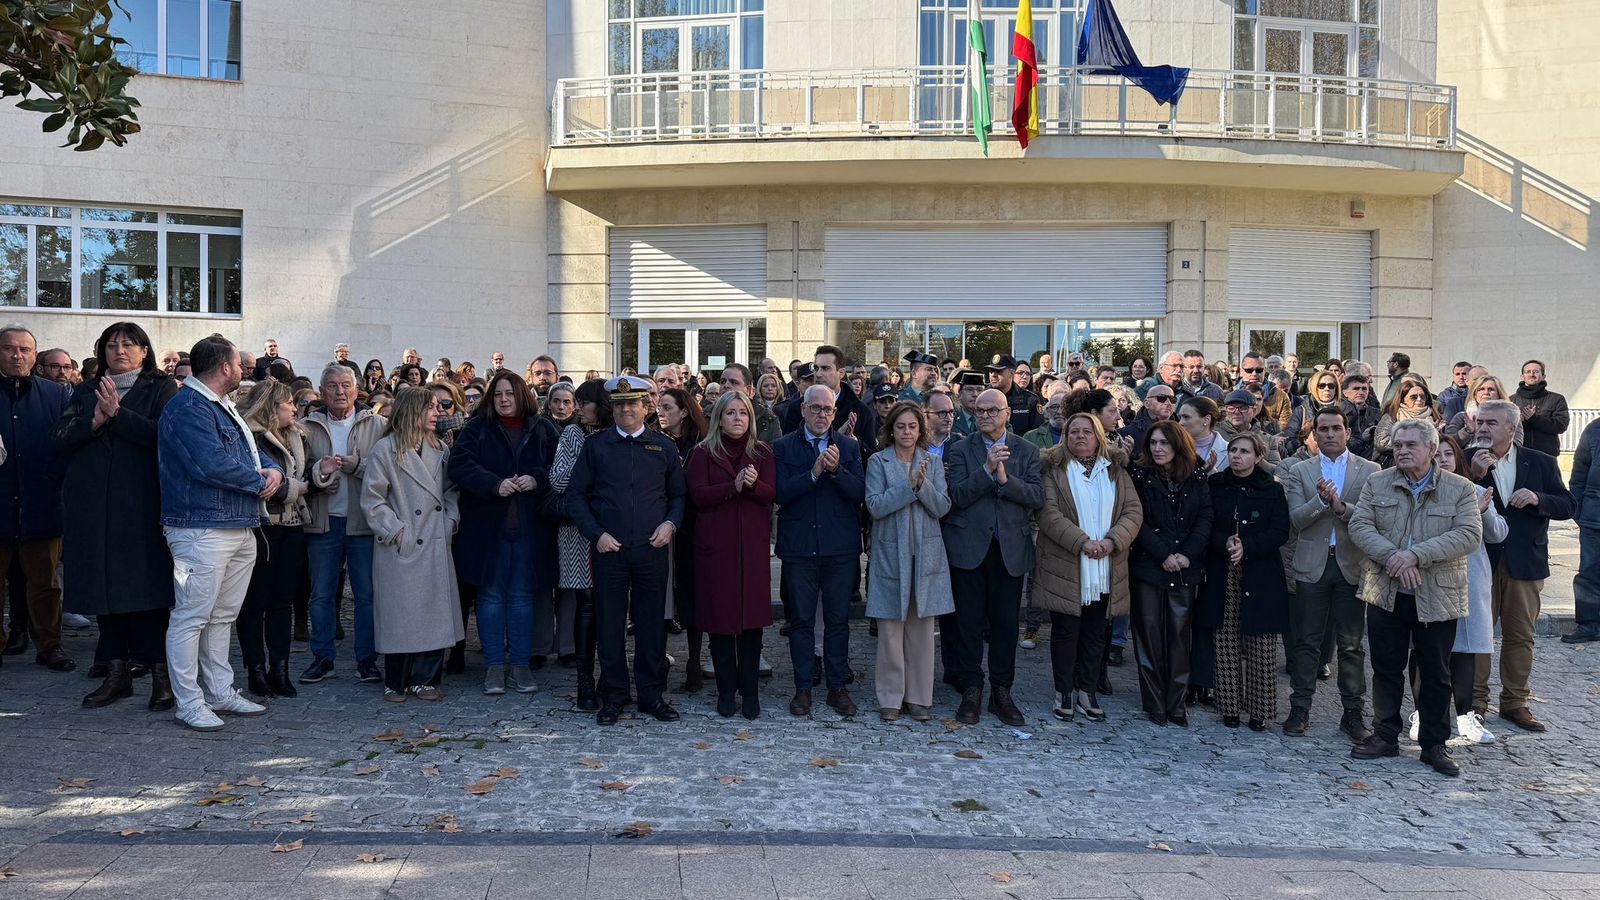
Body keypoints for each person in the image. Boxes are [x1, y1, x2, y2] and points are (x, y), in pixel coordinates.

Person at [158, 335, 280, 730]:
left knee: (222, 616)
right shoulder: (187, 407)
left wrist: (271, 468)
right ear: (225, 367)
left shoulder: (221, 405)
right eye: (239, 365)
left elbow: (246, 448)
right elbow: (208, 464)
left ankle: (219, 692)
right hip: (200, 529)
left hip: (237, 524)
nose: (245, 371)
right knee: (191, 616)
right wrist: (258, 481)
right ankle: (188, 701)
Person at [54, 322, 178, 709]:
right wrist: (95, 420)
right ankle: (116, 673)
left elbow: (163, 436)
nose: (119, 350)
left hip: (140, 504)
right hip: (93, 506)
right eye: (111, 344)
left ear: (144, 350)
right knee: (104, 590)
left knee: (145, 591)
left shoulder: (161, 388)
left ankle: (160, 676)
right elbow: (61, 437)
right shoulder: (86, 389)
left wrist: (118, 415)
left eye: (128, 344)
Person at [1348, 419, 1481, 777]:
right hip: (1385, 591)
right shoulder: (1378, 482)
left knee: (1436, 673)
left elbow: (1469, 534)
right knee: (1385, 667)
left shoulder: (1460, 489)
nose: (1402, 450)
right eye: (1398, 444)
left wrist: (1416, 555)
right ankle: (1385, 735)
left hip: (1436, 595)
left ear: (1432, 450)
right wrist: (1394, 556)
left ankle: (1434, 744)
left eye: (1410, 445)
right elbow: (1359, 526)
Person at [568, 375, 687, 725]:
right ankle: (615, 695)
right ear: (612, 408)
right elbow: (576, 496)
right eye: (619, 405)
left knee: (651, 625)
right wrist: (596, 534)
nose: (625, 410)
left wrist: (670, 525)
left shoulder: (663, 447)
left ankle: (651, 694)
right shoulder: (596, 446)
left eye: (632, 404)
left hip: (652, 548)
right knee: (609, 625)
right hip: (610, 549)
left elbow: (678, 496)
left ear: (644, 407)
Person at [448, 372, 559, 696]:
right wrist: (493, 484)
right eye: (498, 394)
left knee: (523, 598)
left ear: (521, 395)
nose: (504, 400)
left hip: (530, 529)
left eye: (509, 393)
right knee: (491, 596)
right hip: (487, 529)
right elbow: (459, 466)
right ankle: (495, 666)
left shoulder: (542, 429)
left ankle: (521, 666)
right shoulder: (477, 428)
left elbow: (561, 468)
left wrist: (536, 479)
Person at [1468, 398, 1575, 733]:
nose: (1483, 429)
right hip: (1482, 559)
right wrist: (1474, 475)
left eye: (1491, 423)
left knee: (1520, 635)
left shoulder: (1540, 462)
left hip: (1525, 561)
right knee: (1479, 635)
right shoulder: (1465, 458)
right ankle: (1475, 703)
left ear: (1512, 429)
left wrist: (1538, 499)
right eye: (1480, 422)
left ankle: (1515, 702)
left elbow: (1568, 504)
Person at [944, 388, 1045, 726]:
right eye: (979, 411)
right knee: (968, 623)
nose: (985, 416)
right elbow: (956, 496)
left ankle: (1002, 690)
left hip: (1009, 550)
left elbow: (1036, 496)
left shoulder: (1027, 450)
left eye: (992, 410)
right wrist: (986, 472)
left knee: (1005, 626)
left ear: (1006, 414)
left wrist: (1004, 479)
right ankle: (971, 686)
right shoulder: (960, 450)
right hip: (969, 550)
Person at [1279, 407, 1381, 742]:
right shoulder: (1300, 470)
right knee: (1307, 640)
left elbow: (1371, 517)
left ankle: (1353, 712)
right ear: (1314, 434)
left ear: (1348, 433)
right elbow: (1295, 519)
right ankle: (1300, 707)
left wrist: (1339, 507)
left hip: (1351, 564)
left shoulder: (1370, 470)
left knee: (1352, 644)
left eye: (1337, 428)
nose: (1330, 434)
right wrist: (1321, 504)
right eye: (1323, 429)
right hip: (1312, 564)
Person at [1033, 412, 1140, 722]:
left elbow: (1133, 511)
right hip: (1067, 563)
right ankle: (1063, 690)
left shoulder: (1115, 470)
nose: (1080, 437)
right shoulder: (1055, 470)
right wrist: (1082, 542)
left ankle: (1087, 690)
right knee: (1066, 632)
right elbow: (1048, 514)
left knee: (1096, 633)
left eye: (1087, 432)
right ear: (1065, 437)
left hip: (1106, 563)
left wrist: (1112, 541)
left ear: (1098, 437)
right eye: (1073, 432)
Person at [361, 387, 462, 702]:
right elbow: (373, 500)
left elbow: (451, 491)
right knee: (401, 615)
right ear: (411, 411)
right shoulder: (384, 450)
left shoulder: (440, 450)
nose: (437, 413)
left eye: (437, 407)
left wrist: (448, 524)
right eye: (430, 408)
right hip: (402, 545)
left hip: (433, 540)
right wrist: (396, 531)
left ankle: (427, 679)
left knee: (433, 612)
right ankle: (397, 679)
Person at [773, 384, 866, 717]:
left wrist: (837, 471)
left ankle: (837, 687)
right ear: (803, 410)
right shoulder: (783, 446)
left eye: (828, 409)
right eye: (815, 408)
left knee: (838, 621)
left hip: (839, 548)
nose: (822, 415)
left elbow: (860, 494)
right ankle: (803, 688)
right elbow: (779, 493)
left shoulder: (848, 447)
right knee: (800, 621)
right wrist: (813, 474)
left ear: (835, 413)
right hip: (799, 549)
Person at [1407, 434, 1505, 747]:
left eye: (1451, 454)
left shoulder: (1474, 490)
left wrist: (1484, 510)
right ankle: (1422, 713)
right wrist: (1469, 514)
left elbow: (1499, 533)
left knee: (1464, 651)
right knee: (1426, 651)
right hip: (1430, 581)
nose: (1445, 460)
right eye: (1440, 455)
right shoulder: (1419, 494)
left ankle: (1466, 716)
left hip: (1469, 581)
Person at [688, 391, 777, 720]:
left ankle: (750, 692)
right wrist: (733, 487)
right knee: (721, 623)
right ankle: (726, 691)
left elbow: (771, 494)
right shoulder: (702, 453)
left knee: (752, 624)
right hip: (717, 549)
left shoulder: (763, 452)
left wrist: (752, 486)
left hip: (751, 550)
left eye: (743, 413)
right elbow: (698, 495)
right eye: (731, 413)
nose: (737, 418)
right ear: (719, 418)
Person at [864, 402, 952, 723]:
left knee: (921, 630)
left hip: (926, 554)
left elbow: (942, 507)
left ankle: (919, 697)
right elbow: (874, 505)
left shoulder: (933, 461)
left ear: (920, 429)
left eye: (912, 427)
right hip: (891, 553)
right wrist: (908, 487)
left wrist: (921, 485)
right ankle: (890, 696)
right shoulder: (878, 461)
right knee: (890, 629)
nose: (906, 432)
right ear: (891, 429)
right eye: (900, 426)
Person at [298, 364, 385, 686]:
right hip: (322, 521)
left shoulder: (378, 425)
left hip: (363, 521)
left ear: (357, 389)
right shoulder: (305, 426)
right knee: (320, 594)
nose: (339, 392)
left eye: (346, 385)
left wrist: (359, 466)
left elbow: (388, 472)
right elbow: (297, 470)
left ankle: (367, 659)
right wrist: (319, 476)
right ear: (321, 392)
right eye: (332, 386)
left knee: (366, 595)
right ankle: (322, 657)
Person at [1201, 432, 1290, 731]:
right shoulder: (1215, 485)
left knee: (1261, 644)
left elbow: (1280, 531)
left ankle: (1259, 711)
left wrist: (1248, 546)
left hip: (1260, 573)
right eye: (1234, 450)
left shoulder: (1271, 489)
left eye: (1245, 451)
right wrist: (1225, 542)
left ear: (1258, 456)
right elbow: (1205, 523)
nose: (1238, 456)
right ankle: (1229, 707)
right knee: (1225, 641)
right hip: (1222, 571)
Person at [1127, 421, 1211, 726]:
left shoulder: (1197, 476)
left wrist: (1186, 554)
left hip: (1185, 566)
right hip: (1150, 565)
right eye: (1154, 443)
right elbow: (1136, 519)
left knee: (1179, 635)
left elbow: (1204, 518)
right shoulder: (1138, 476)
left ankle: (1177, 703)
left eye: (1164, 443)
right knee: (1148, 635)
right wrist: (1163, 554)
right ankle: (1154, 702)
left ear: (1178, 445)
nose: (1158, 449)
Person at [0, 325, 74, 671]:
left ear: (35, 355)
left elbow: (68, 444)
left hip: (41, 502)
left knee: (46, 584)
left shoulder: (57, 395)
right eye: (9, 349)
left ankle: (50, 645)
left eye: (24, 350)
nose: (17, 355)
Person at [236, 379, 312, 700]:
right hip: (260, 525)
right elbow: (272, 488)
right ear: (270, 407)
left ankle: (280, 669)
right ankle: (255, 670)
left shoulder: (296, 435)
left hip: (292, 525)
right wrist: (305, 487)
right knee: (254, 603)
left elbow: (296, 480)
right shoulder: (249, 437)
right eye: (288, 405)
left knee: (283, 600)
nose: (295, 409)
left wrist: (313, 478)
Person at [548, 379, 610, 710]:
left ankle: (609, 677)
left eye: (584, 401)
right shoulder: (573, 435)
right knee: (586, 604)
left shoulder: (616, 433)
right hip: (577, 532)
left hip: (612, 531)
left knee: (610, 609)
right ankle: (584, 682)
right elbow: (557, 479)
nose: (578, 407)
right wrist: (592, 463)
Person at [657, 387, 707, 683]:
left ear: (684, 411)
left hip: (692, 524)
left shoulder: (700, 443)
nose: (661, 412)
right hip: (659, 522)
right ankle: (659, 658)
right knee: (661, 593)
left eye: (667, 407)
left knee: (691, 592)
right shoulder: (652, 439)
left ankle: (694, 661)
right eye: (659, 407)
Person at [782, 345, 878, 453]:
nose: (818, 374)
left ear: (841, 373)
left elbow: (871, 456)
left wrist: (852, 443)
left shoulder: (860, 410)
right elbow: (787, 451)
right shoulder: (797, 408)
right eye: (816, 368)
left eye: (825, 368)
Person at [1569, 415, 1600, 645]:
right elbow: (1579, 473)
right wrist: (1579, 509)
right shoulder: (1593, 430)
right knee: (1589, 572)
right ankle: (1588, 625)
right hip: (1593, 514)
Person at [1373, 380, 1442, 465]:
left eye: (1423, 396)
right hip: (1395, 464)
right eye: (1414, 397)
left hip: (1428, 464)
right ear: (1403, 399)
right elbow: (1382, 443)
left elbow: (1446, 443)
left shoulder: (1435, 416)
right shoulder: (1392, 416)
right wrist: (1417, 438)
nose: (1419, 400)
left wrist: (1436, 435)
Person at [1513, 359, 1569, 458]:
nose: (1532, 374)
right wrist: (1519, 421)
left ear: (1543, 377)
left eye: (1536, 371)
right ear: (1522, 377)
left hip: (1547, 455)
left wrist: (1535, 419)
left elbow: (1561, 425)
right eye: (1528, 372)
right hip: (1519, 454)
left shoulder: (1557, 399)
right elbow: (1503, 428)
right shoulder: (1511, 400)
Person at [1279, 370, 1342, 457]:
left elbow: (1356, 439)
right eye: (1322, 386)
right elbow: (1290, 440)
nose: (1326, 389)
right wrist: (1309, 445)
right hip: (1308, 458)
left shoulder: (1347, 409)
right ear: (1314, 387)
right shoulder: (1302, 410)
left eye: (1331, 386)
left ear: (1336, 388)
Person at [1444, 374, 1519, 446]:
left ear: (1499, 394)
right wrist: (1467, 431)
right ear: (1474, 394)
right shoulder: (1462, 417)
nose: (1486, 393)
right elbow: (1449, 444)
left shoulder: (1511, 417)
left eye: (1491, 389)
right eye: (1481, 389)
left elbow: (1516, 444)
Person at [721, 363, 781, 445]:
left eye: (734, 382)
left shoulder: (767, 419)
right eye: (722, 382)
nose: (726, 385)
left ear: (748, 390)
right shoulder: (707, 415)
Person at [984, 355, 1041, 436]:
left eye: (998, 371)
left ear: (1011, 374)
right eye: (991, 371)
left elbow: (1037, 435)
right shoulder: (982, 398)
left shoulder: (1030, 400)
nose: (993, 375)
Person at [1238, 353, 1292, 433]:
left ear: (1265, 370)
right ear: (1241, 371)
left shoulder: (1281, 396)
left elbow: (1284, 426)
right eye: (1249, 370)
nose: (1254, 374)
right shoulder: (1230, 394)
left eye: (1259, 370)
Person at [1177, 396, 1227, 474]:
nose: (1180, 423)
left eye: (1186, 417)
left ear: (1206, 420)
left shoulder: (1230, 451)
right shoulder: (1172, 447)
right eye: (1180, 417)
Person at [1341, 375, 1382, 459]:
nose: (1361, 392)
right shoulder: (1338, 414)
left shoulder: (1378, 414)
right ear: (1345, 392)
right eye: (1356, 388)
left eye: (1364, 389)